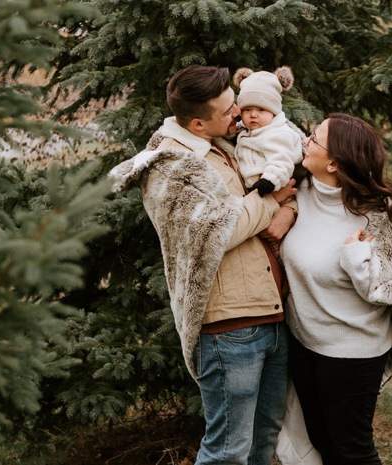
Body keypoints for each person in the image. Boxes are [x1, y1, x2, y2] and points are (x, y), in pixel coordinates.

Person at [108, 65, 298, 465]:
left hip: (272, 314)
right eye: (229, 108)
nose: (239, 113)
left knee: (264, 442)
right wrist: (272, 202)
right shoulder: (170, 167)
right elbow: (217, 232)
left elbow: (276, 188)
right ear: (197, 123)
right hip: (229, 328)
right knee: (228, 451)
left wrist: (286, 209)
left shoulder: (227, 145)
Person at [279, 114, 392, 465]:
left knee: (352, 451)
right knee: (323, 443)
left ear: (334, 162)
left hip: (352, 352)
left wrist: (356, 258)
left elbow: (391, 288)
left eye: (315, 137)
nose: (305, 140)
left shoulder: (374, 213)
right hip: (304, 343)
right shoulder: (300, 191)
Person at [232, 66, 303, 197]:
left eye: (261, 109)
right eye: (247, 109)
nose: (253, 115)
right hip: (251, 190)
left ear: (273, 111)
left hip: (271, 188)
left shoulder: (277, 133)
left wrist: (270, 180)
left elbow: (281, 159)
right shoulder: (248, 128)